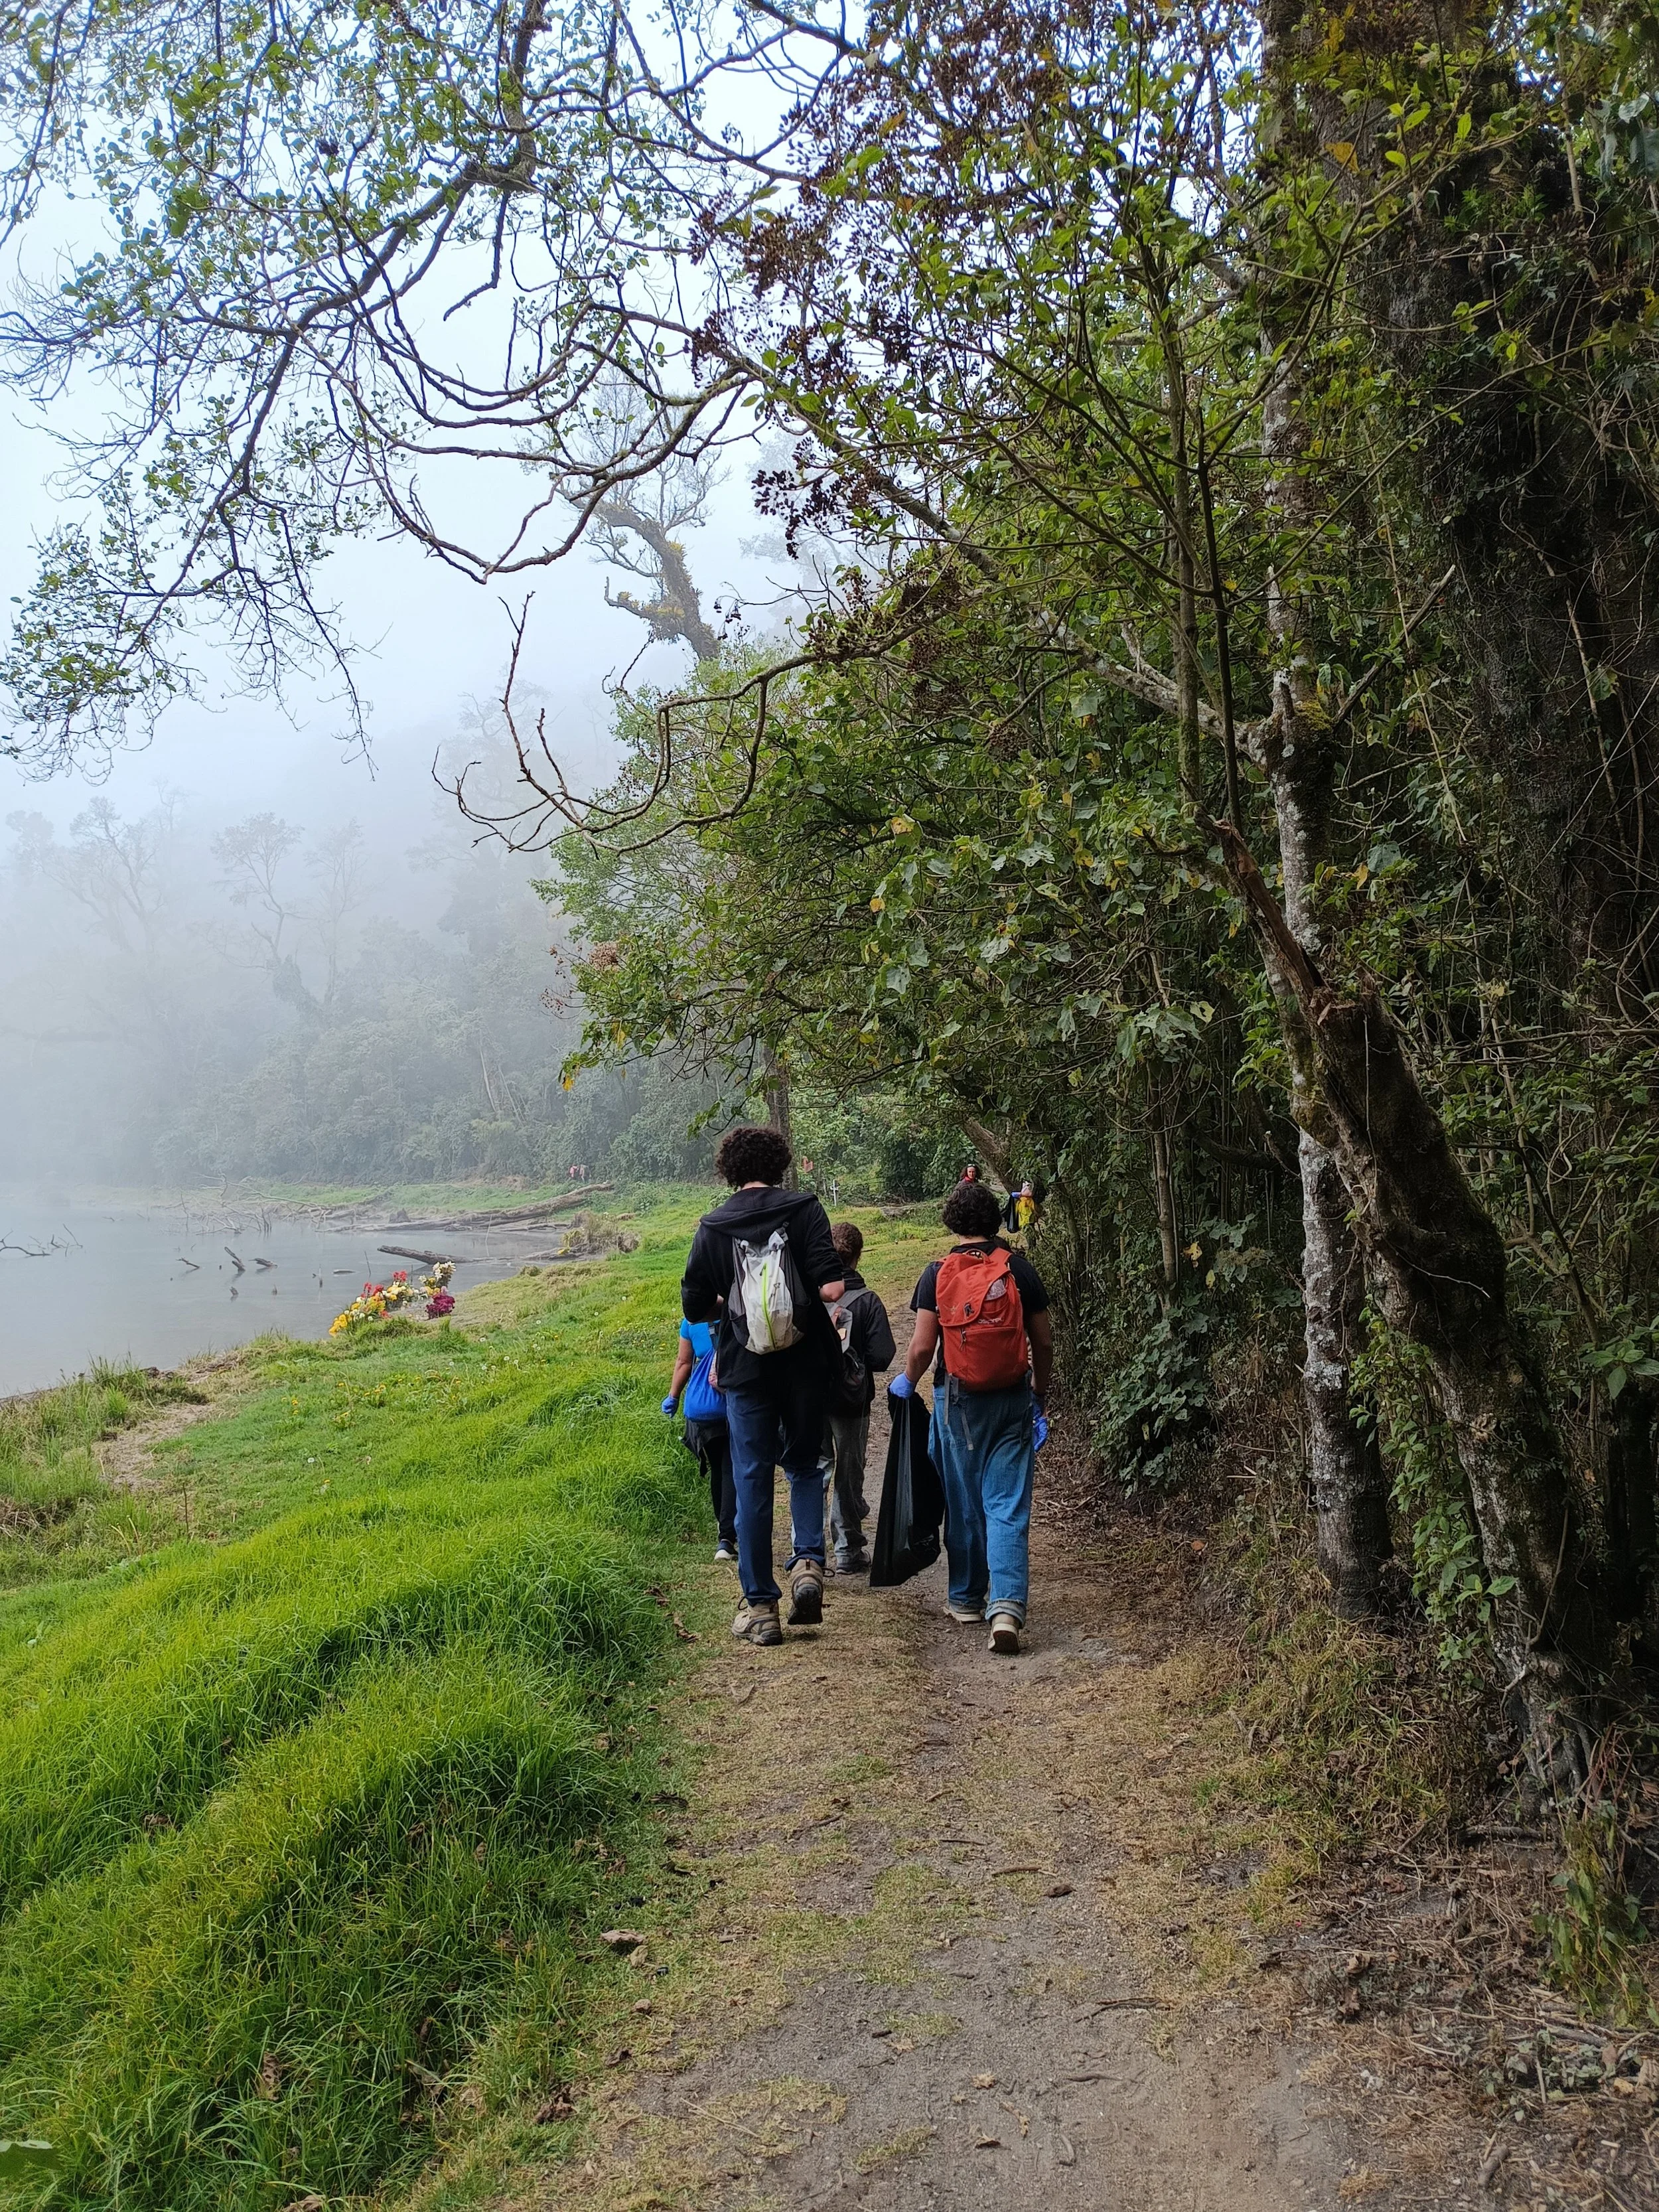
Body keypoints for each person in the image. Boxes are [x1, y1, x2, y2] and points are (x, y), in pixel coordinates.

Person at [682, 1124, 844, 1647]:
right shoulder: (806, 1209)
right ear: (779, 1163)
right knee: (802, 1462)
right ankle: (808, 1567)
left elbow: (693, 1305)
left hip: (744, 1369)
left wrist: (734, 1306)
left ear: (728, 1169)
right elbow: (833, 1286)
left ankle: (760, 1606)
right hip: (804, 1363)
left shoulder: (713, 1225)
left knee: (751, 1475)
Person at [891, 1179, 1052, 1656]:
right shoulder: (1019, 1270)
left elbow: (923, 1346)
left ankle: (965, 1598)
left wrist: (907, 1380)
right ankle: (1005, 1609)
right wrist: (1039, 1395)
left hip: (957, 1400)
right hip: (1012, 1397)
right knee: (1006, 1501)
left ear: (952, 1222)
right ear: (995, 1220)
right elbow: (1042, 1342)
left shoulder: (937, 1272)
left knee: (963, 1498)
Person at [818, 1222, 897, 1574]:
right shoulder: (868, 1301)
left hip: (812, 1399)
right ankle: (848, 1550)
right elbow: (883, 1356)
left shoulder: (809, 1296)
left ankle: (808, 1552)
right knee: (850, 1473)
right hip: (852, 1402)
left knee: (815, 1470)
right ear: (858, 1255)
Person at [663, 1315, 737, 1562]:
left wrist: (673, 1396)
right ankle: (728, 1536)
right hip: (734, 1403)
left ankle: (724, 1533)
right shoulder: (736, 1309)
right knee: (732, 1467)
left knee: (718, 1467)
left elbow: (684, 1362)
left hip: (704, 1410)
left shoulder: (691, 1321)